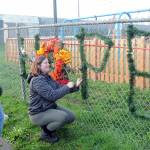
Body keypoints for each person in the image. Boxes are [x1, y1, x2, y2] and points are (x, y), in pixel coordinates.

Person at [27, 56, 82, 143]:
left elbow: (59, 88)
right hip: (38, 112)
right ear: (38, 66)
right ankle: (45, 133)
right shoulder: (37, 81)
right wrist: (67, 86)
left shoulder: (47, 77)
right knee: (62, 117)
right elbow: (52, 95)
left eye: (48, 62)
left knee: (71, 117)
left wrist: (75, 86)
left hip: (49, 107)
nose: (48, 64)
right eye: (45, 63)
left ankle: (49, 123)